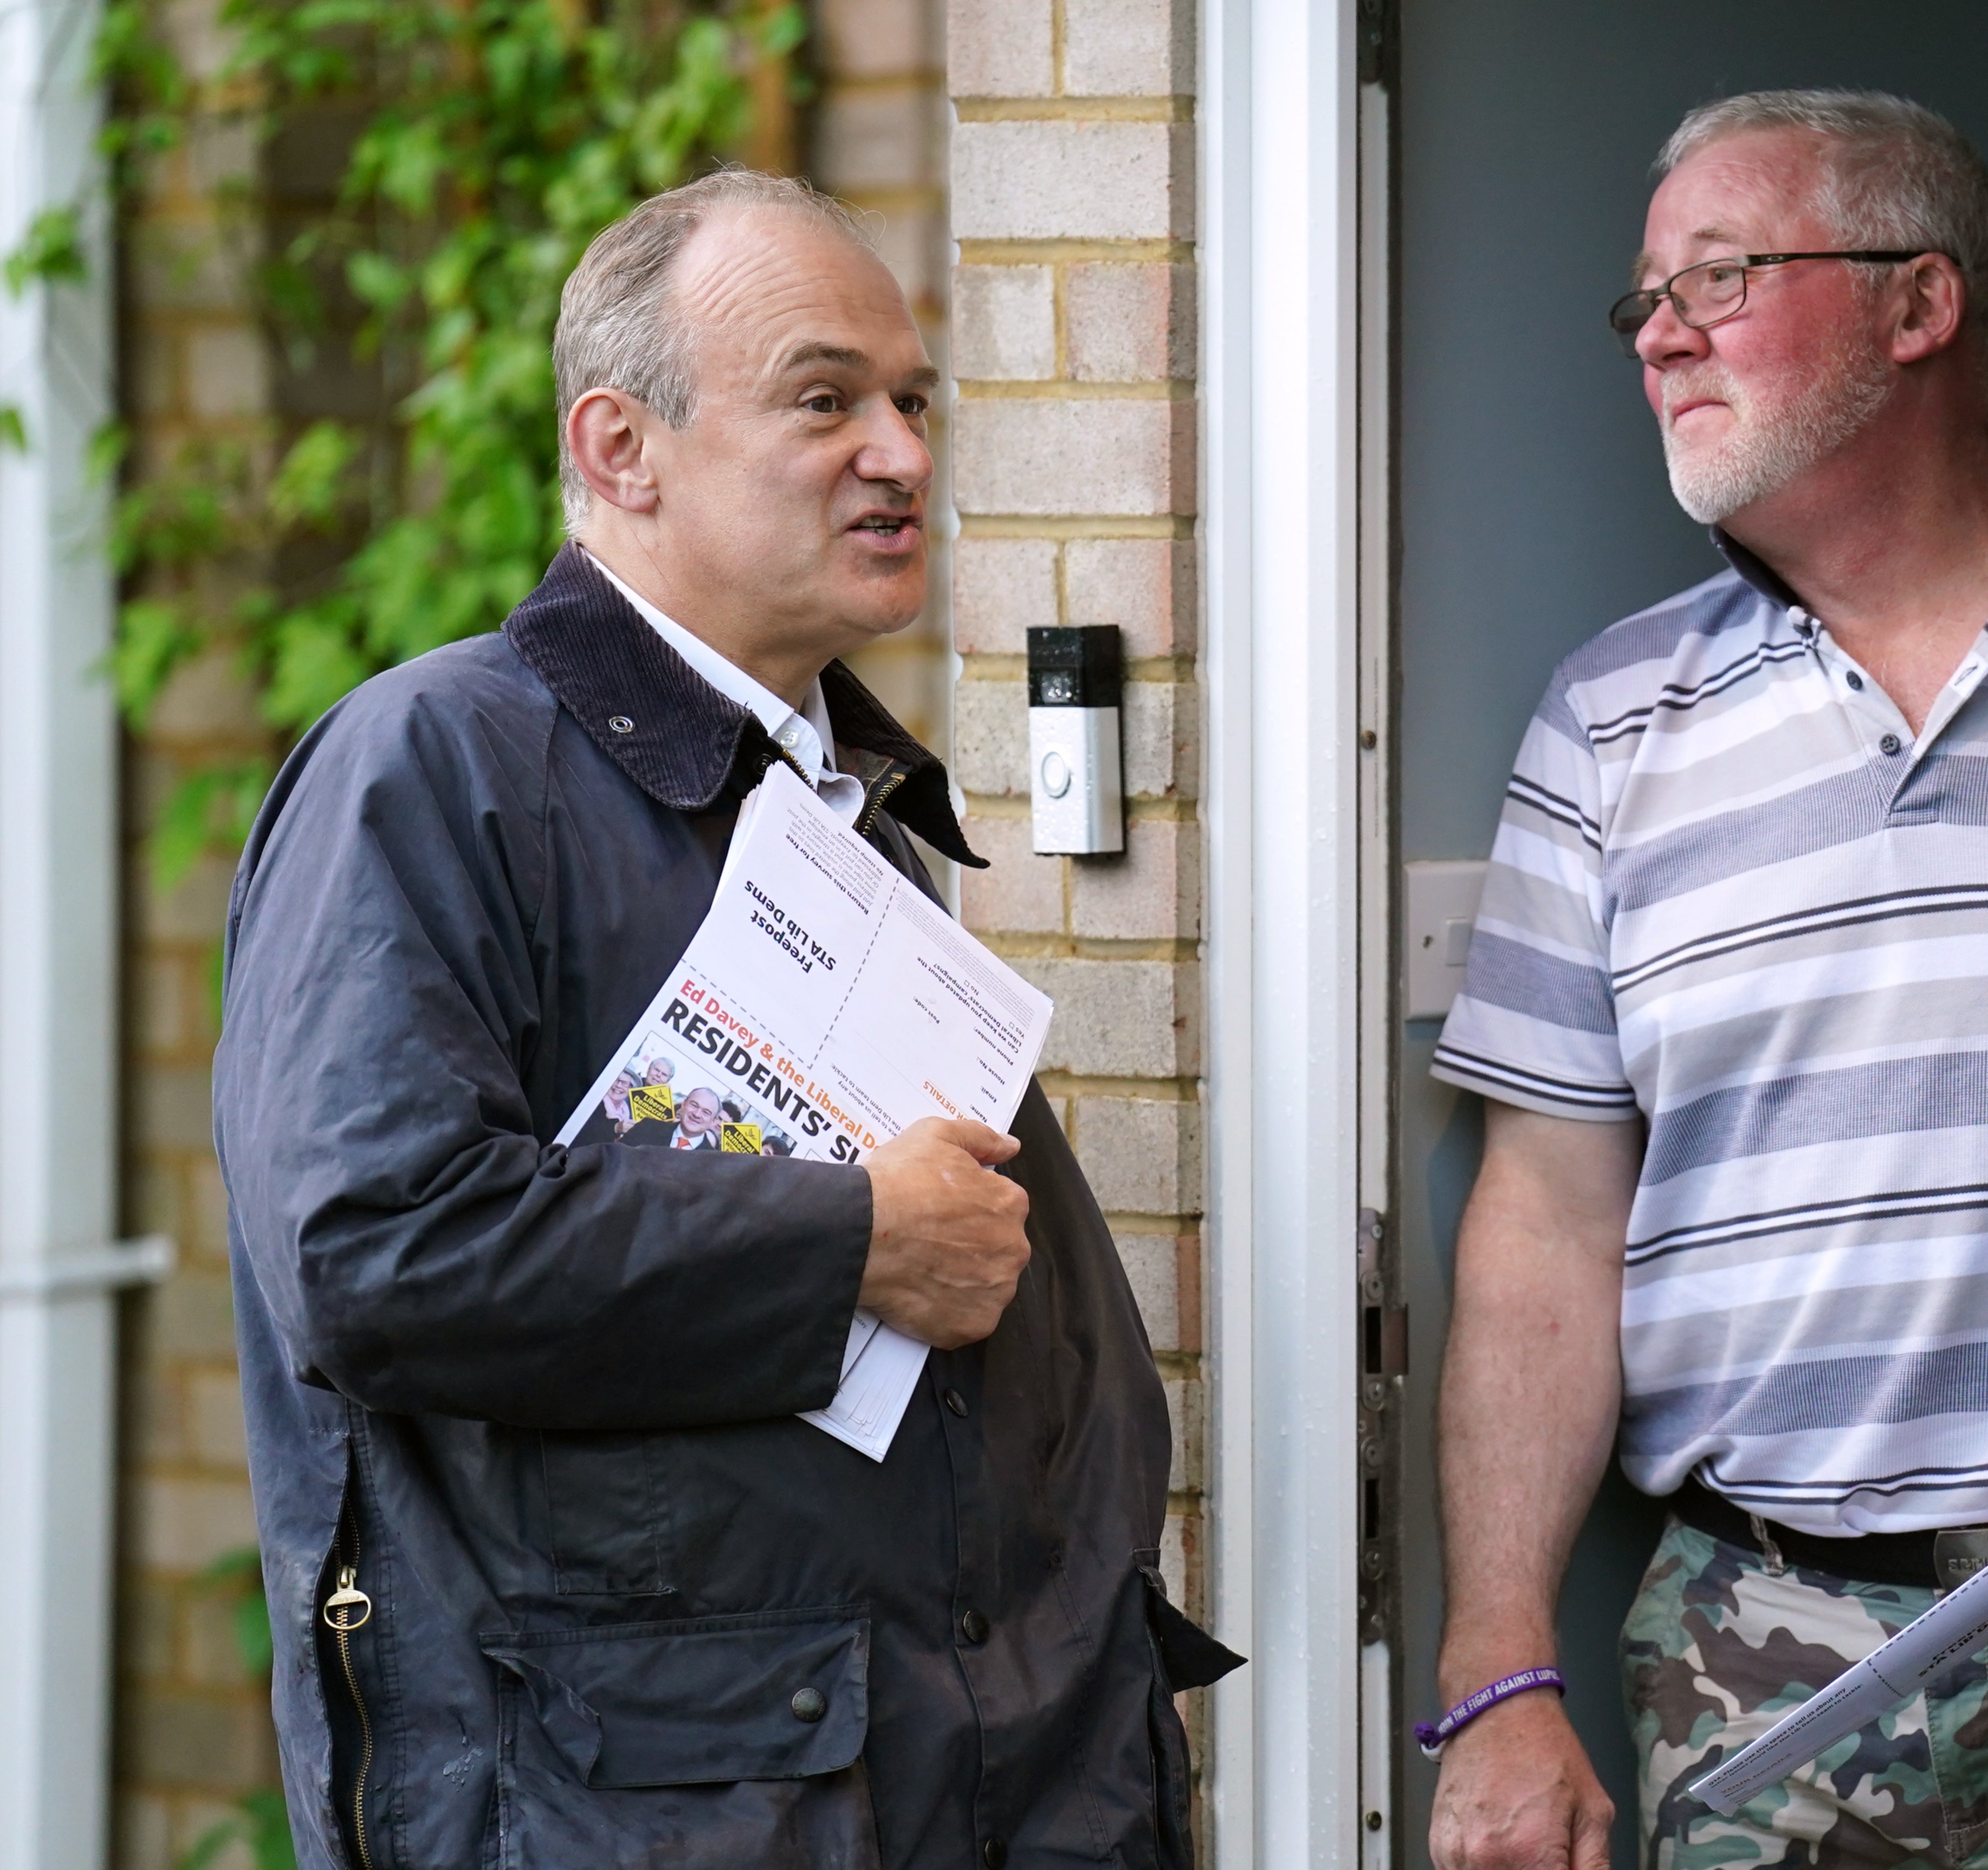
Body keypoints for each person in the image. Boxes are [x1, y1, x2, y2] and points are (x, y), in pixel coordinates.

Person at [216, 167, 1235, 1870]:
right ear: (621, 448)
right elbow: (370, 1246)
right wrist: (847, 1242)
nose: (902, 452)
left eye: (912, 401)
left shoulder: (843, 806)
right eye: (824, 399)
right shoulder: (434, 768)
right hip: (648, 1812)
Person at [1425, 92, 1988, 1870]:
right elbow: (1542, 1228)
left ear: (1918, 305)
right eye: (1642, 299)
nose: (1656, 331)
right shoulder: (1612, 723)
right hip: (1757, 1675)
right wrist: (1496, 1667)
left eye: (1718, 275)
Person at [623, 1081, 729, 1150]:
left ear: (714, 1120)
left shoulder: (712, 1162)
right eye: (694, 1105)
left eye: (706, 1112)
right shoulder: (648, 1127)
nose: (697, 1114)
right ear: (683, 1105)